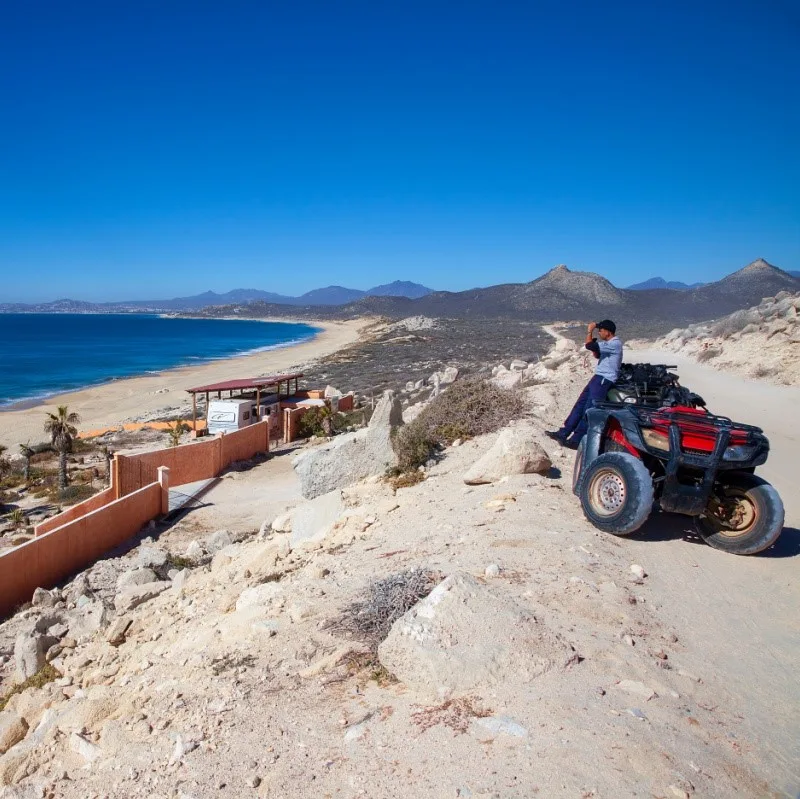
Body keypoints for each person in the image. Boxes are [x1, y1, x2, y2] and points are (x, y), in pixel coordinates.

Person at [546, 319, 623, 448]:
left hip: (604, 380)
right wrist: (594, 345)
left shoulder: (614, 343)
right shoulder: (609, 343)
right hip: (598, 377)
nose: (599, 333)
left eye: (601, 330)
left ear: (608, 332)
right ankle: (564, 432)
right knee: (580, 405)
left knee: (589, 409)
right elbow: (597, 354)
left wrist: (589, 331)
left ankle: (577, 439)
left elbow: (589, 346)